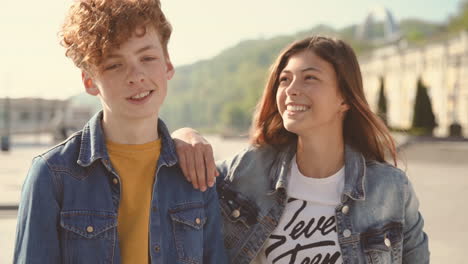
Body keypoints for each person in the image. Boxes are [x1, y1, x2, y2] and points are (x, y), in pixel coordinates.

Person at [173, 36, 430, 263]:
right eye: (285, 79)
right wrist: (183, 135)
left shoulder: (391, 190)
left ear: (344, 99)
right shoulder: (249, 170)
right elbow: (175, 189)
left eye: (310, 78)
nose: (291, 90)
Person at [13, 0, 227, 263]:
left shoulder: (196, 171)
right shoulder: (52, 174)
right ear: (90, 81)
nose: (136, 75)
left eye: (147, 58)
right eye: (114, 65)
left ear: (168, 65)